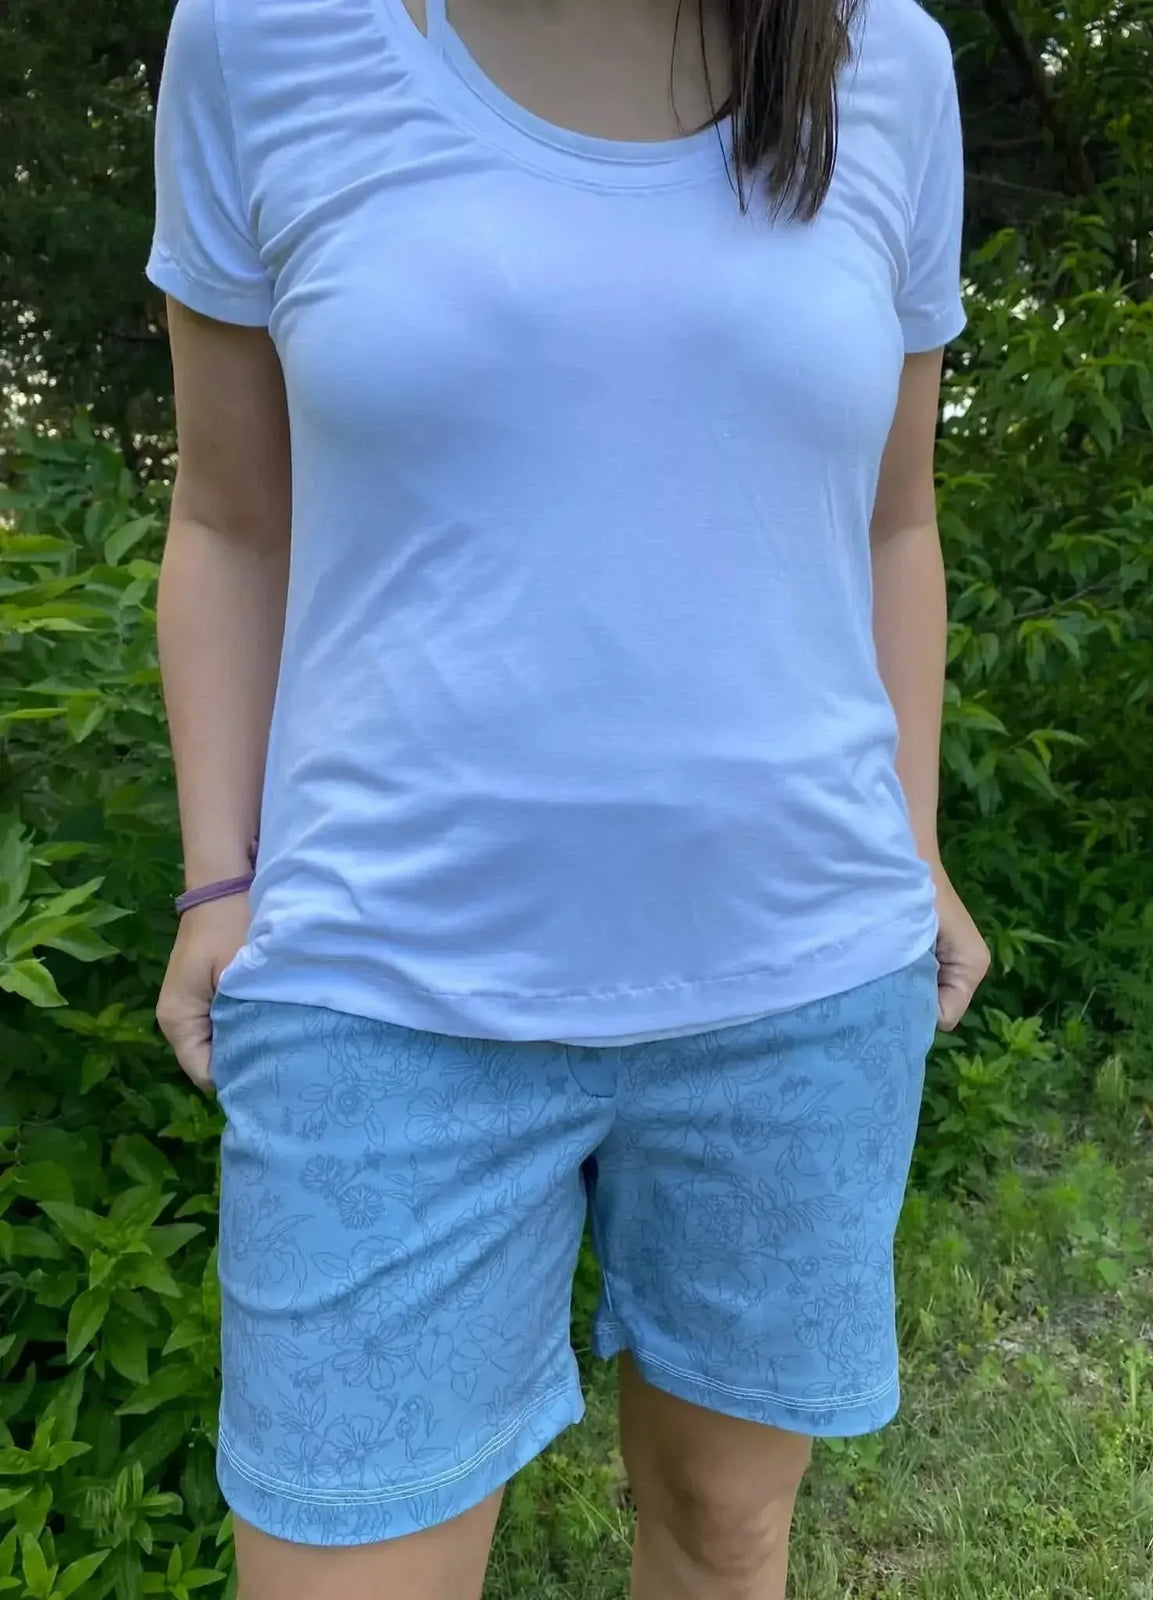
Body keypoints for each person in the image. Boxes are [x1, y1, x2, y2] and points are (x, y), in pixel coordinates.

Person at [148, 0, 990, 1592]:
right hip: (379, 995)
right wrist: (217, 878)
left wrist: (916, 839)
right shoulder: (261, 37)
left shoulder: (889, 59)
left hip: (800, 986)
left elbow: (891, 526)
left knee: (725, 1531)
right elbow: (229, 518)